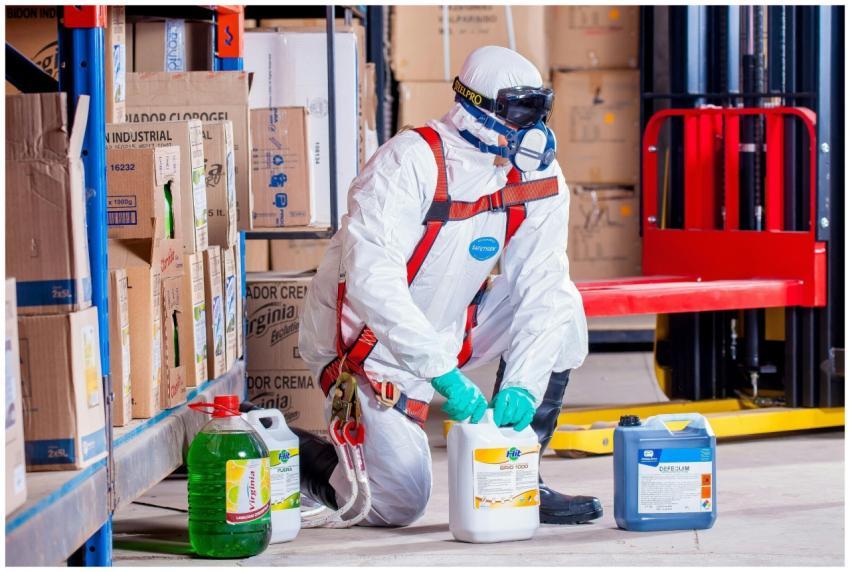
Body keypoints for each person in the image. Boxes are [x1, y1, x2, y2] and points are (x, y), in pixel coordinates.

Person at [297, 45, 598, 527]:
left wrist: (524, 382)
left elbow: (542, 282)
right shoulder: (408, 164)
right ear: (476, 108)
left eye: (539, 114)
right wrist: (441, 373)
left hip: (450, 322)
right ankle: (295, 457)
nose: (534, 131)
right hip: (366, 347)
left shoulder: (537, 174)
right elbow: (374, 283)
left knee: (564, 306)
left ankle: (524, 477)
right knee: (399, 502)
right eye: (521, 114)